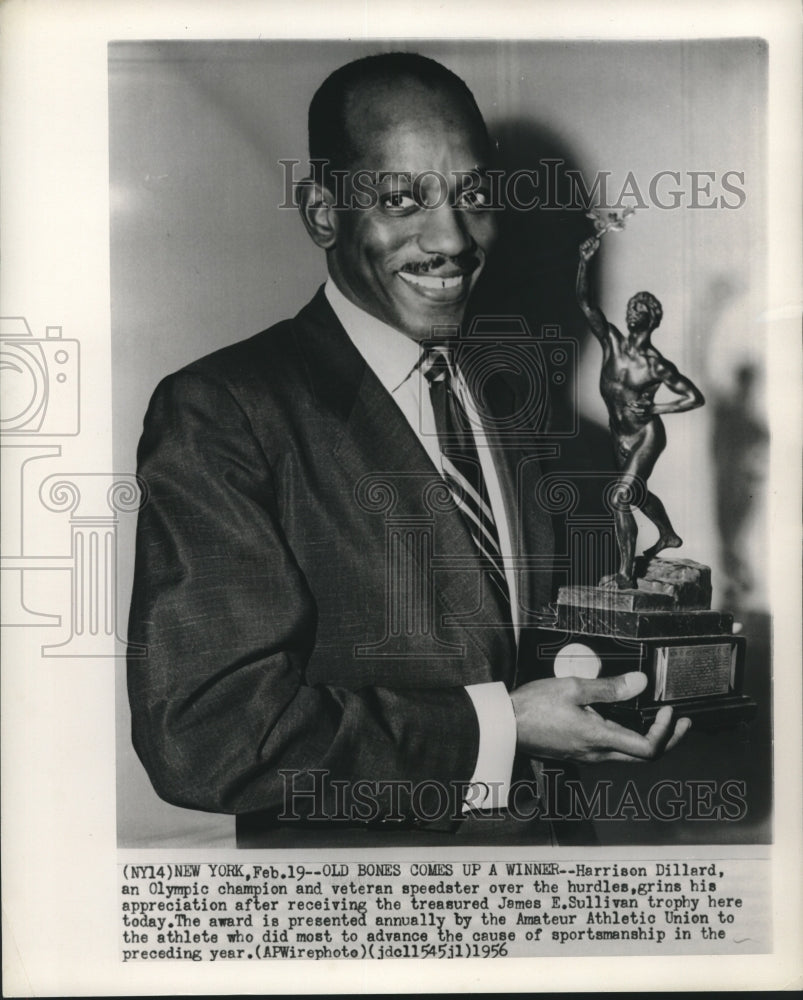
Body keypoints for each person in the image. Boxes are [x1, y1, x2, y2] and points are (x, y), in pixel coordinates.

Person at [128, 52, 689, 847]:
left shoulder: (522, 408)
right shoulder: (225, 411)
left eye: (474, 198)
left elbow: (522, 648)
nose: (451, 239)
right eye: (400, 200)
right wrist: (500, 729)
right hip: (360, 926)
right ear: (323, 211)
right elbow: (210, 737)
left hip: (551, 906)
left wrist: (609, 699)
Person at [576, 235, 705, 590]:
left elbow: (695, 397)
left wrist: (656, 406)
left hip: (647, 435)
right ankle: (668, 535)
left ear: (650, 320)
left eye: (640, 309)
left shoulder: (655, 365)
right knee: (636, 492)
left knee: (620, 497)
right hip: (619, 433)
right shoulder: (612, 343)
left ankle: (624, 574)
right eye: (632, 306)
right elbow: (586, 305)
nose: (633, 311)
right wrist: (585, 262)